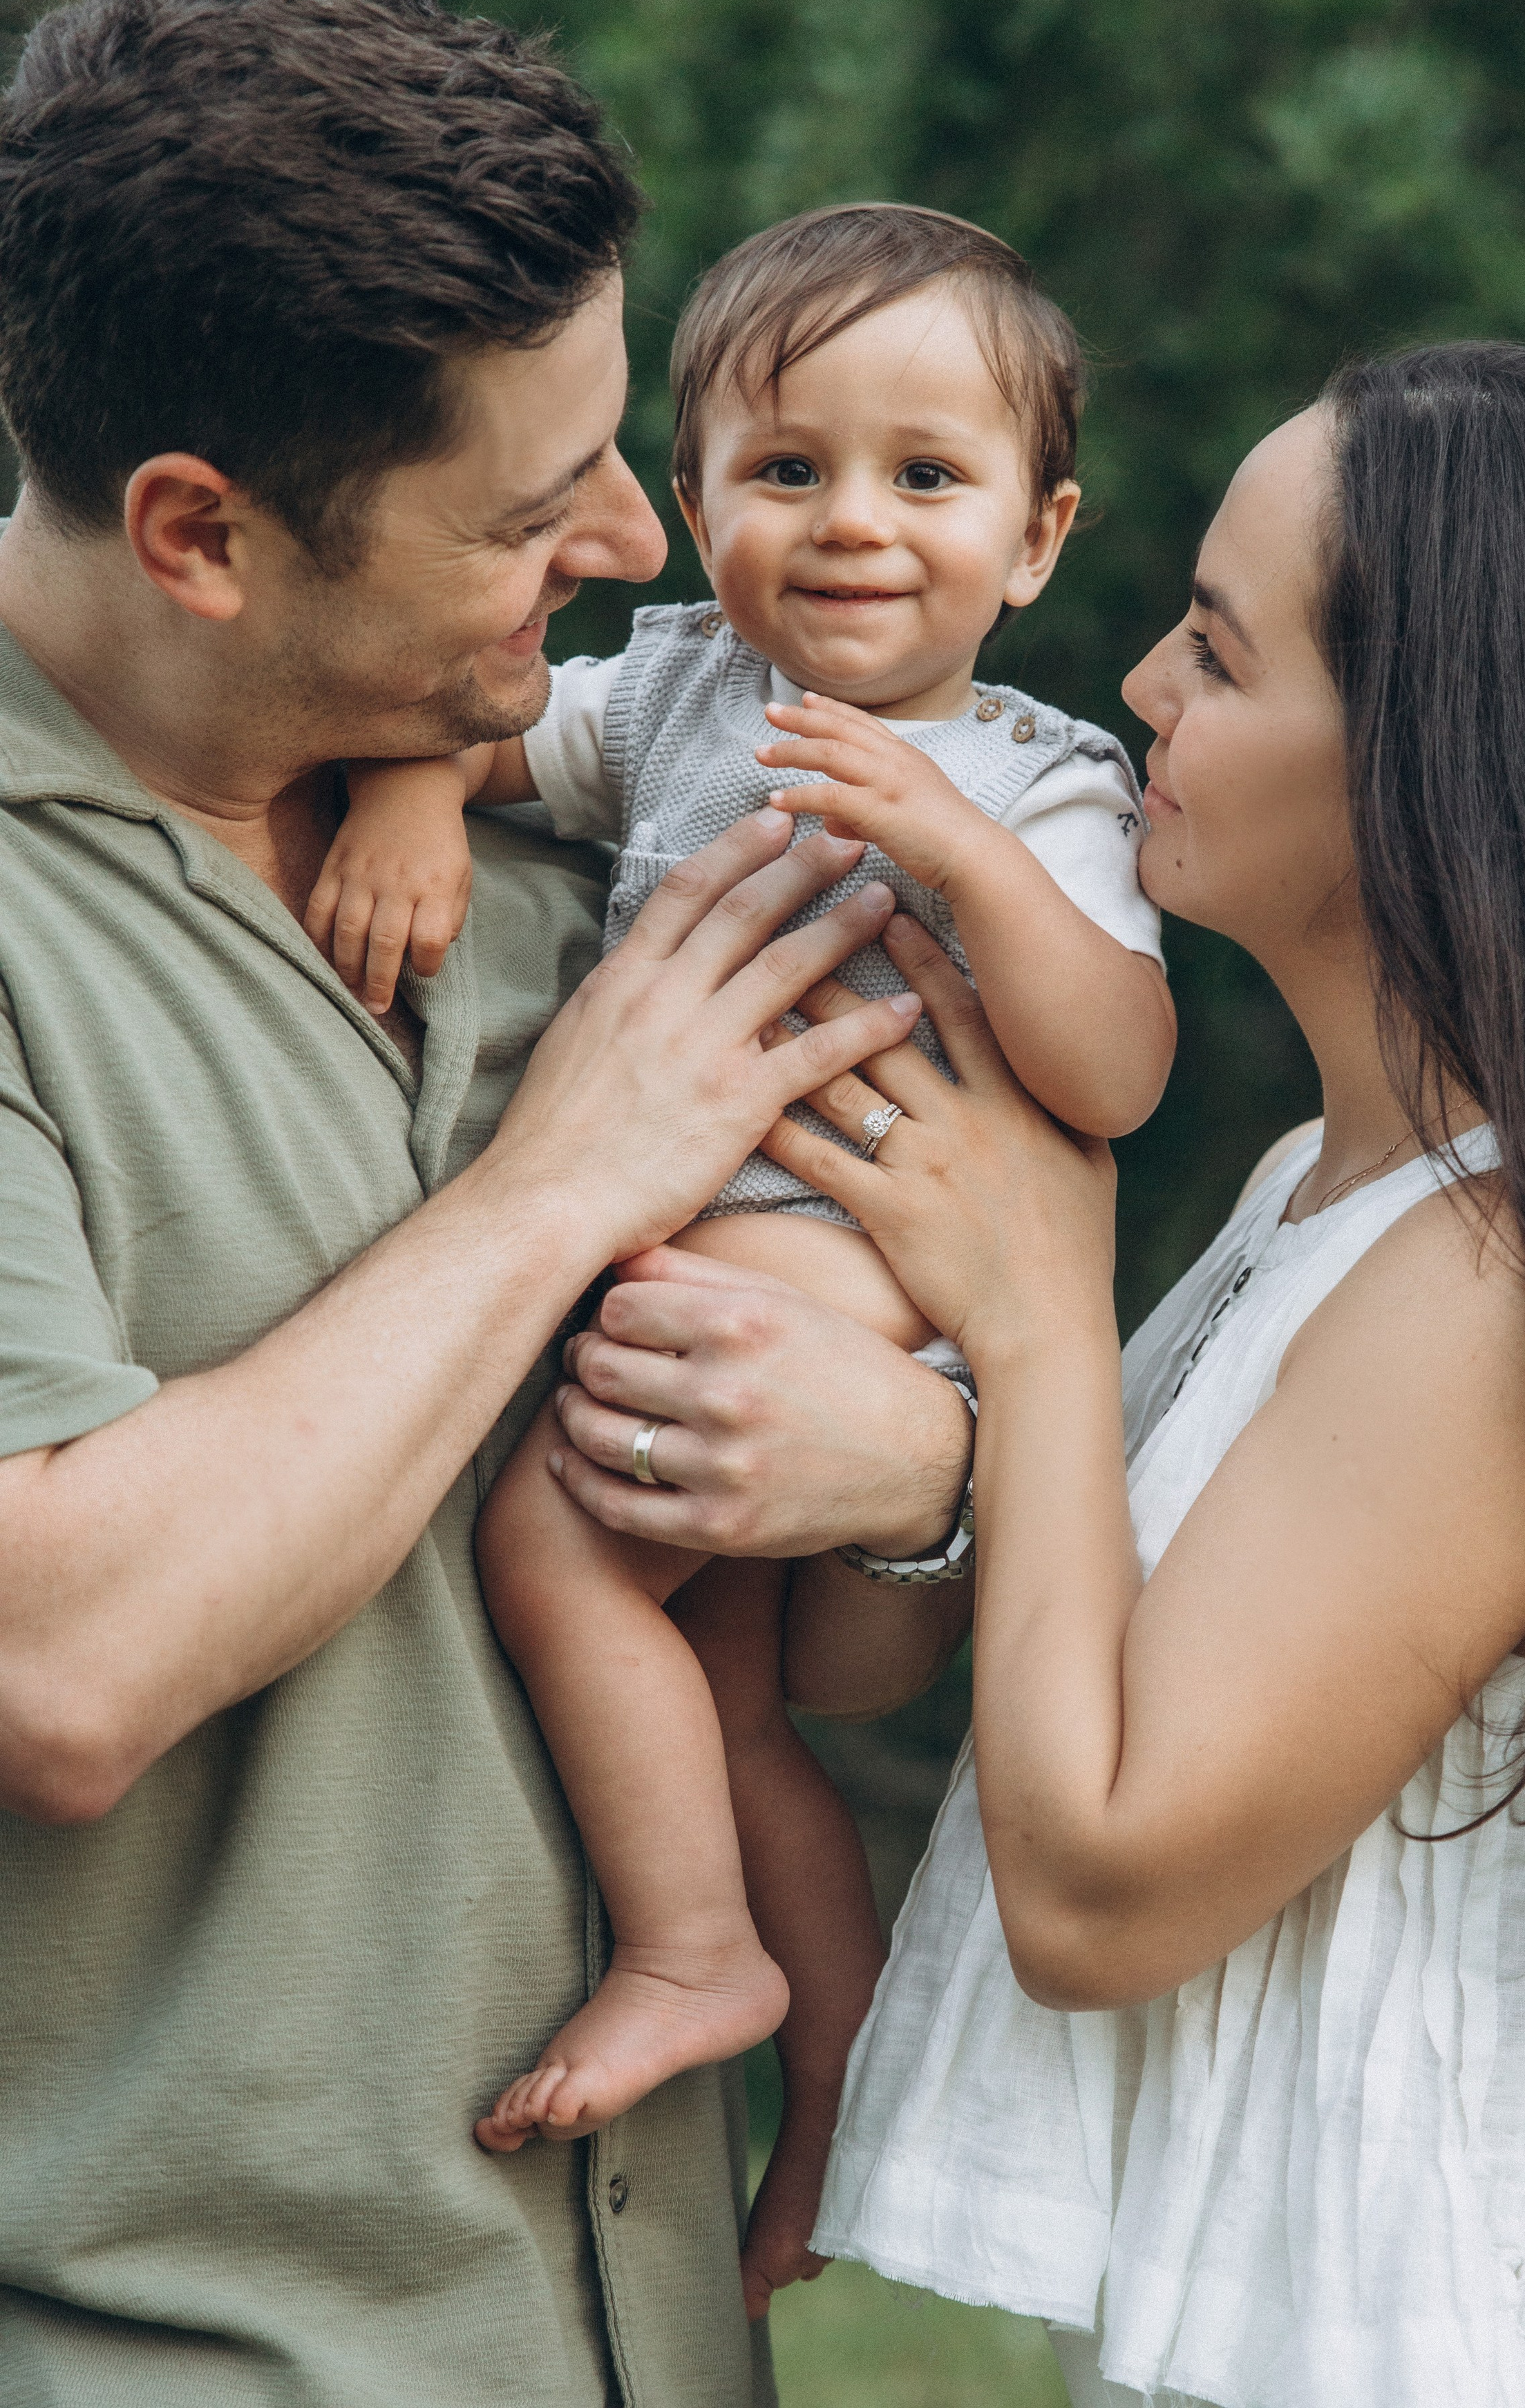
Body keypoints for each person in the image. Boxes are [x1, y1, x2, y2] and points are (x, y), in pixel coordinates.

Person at [558, 343, 1525, 2407]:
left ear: (1425, 756)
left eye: (1218, 649)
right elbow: (961, 1667)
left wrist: (1030, 1324)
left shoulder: (1499, 1270)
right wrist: (926, 1467)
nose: (1138, 690)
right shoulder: (1327, 1183)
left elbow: (1105, 1877)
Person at [0, 0, 978, 2407]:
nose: (646, 542)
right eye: (536, 506)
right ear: (199, 532)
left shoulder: (600, 838)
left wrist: (919, 1472)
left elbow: (917, 1506)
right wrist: (554, 1188)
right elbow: (60, 1657)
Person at [307, 200, 1175, 2309]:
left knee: (554, 1548)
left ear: (1037, 539)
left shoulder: (1047, 781)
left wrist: (953, 841)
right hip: (701, 1270)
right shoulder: (674, 686)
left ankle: (696, 1950)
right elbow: (474, 721)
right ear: (691, 506)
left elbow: (1124, 1063)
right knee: (731, 1714)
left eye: (928, 476)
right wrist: (419, 795)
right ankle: (833, 2048)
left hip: (820, 1281)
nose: (854, 523)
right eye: (786, 471)